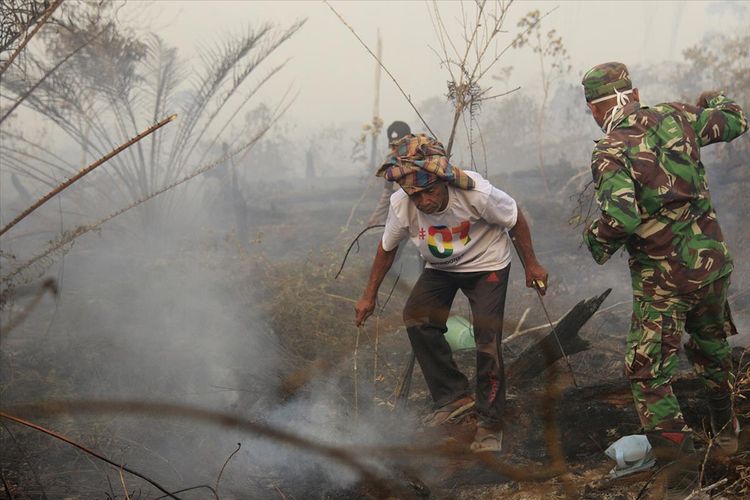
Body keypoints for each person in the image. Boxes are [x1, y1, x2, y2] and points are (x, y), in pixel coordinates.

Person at [580, 61, 748, 497]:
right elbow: (735, 120)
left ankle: (681, 470)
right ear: (632, 95)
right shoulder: (678, 115)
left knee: (648, 374)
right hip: (712, 264)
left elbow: (621, 216)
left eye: (591, 112)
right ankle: (727, 434)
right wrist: (714, 99)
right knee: (711, 349)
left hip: (664, 282)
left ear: (598, 109)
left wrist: (595, 239)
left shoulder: (610, 151)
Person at [354, 133, 548, 453]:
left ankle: (489, 423)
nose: (424, 202)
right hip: (442, 269)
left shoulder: (476, 194)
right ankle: (453, 396)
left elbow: (515, 220)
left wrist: (532, 265)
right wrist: (368, 296)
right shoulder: (402, 205)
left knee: (487, 338)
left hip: (488, 265)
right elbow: (387, 249)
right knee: (417, 317)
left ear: (443, 181)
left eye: (429, 192)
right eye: (417, 196)